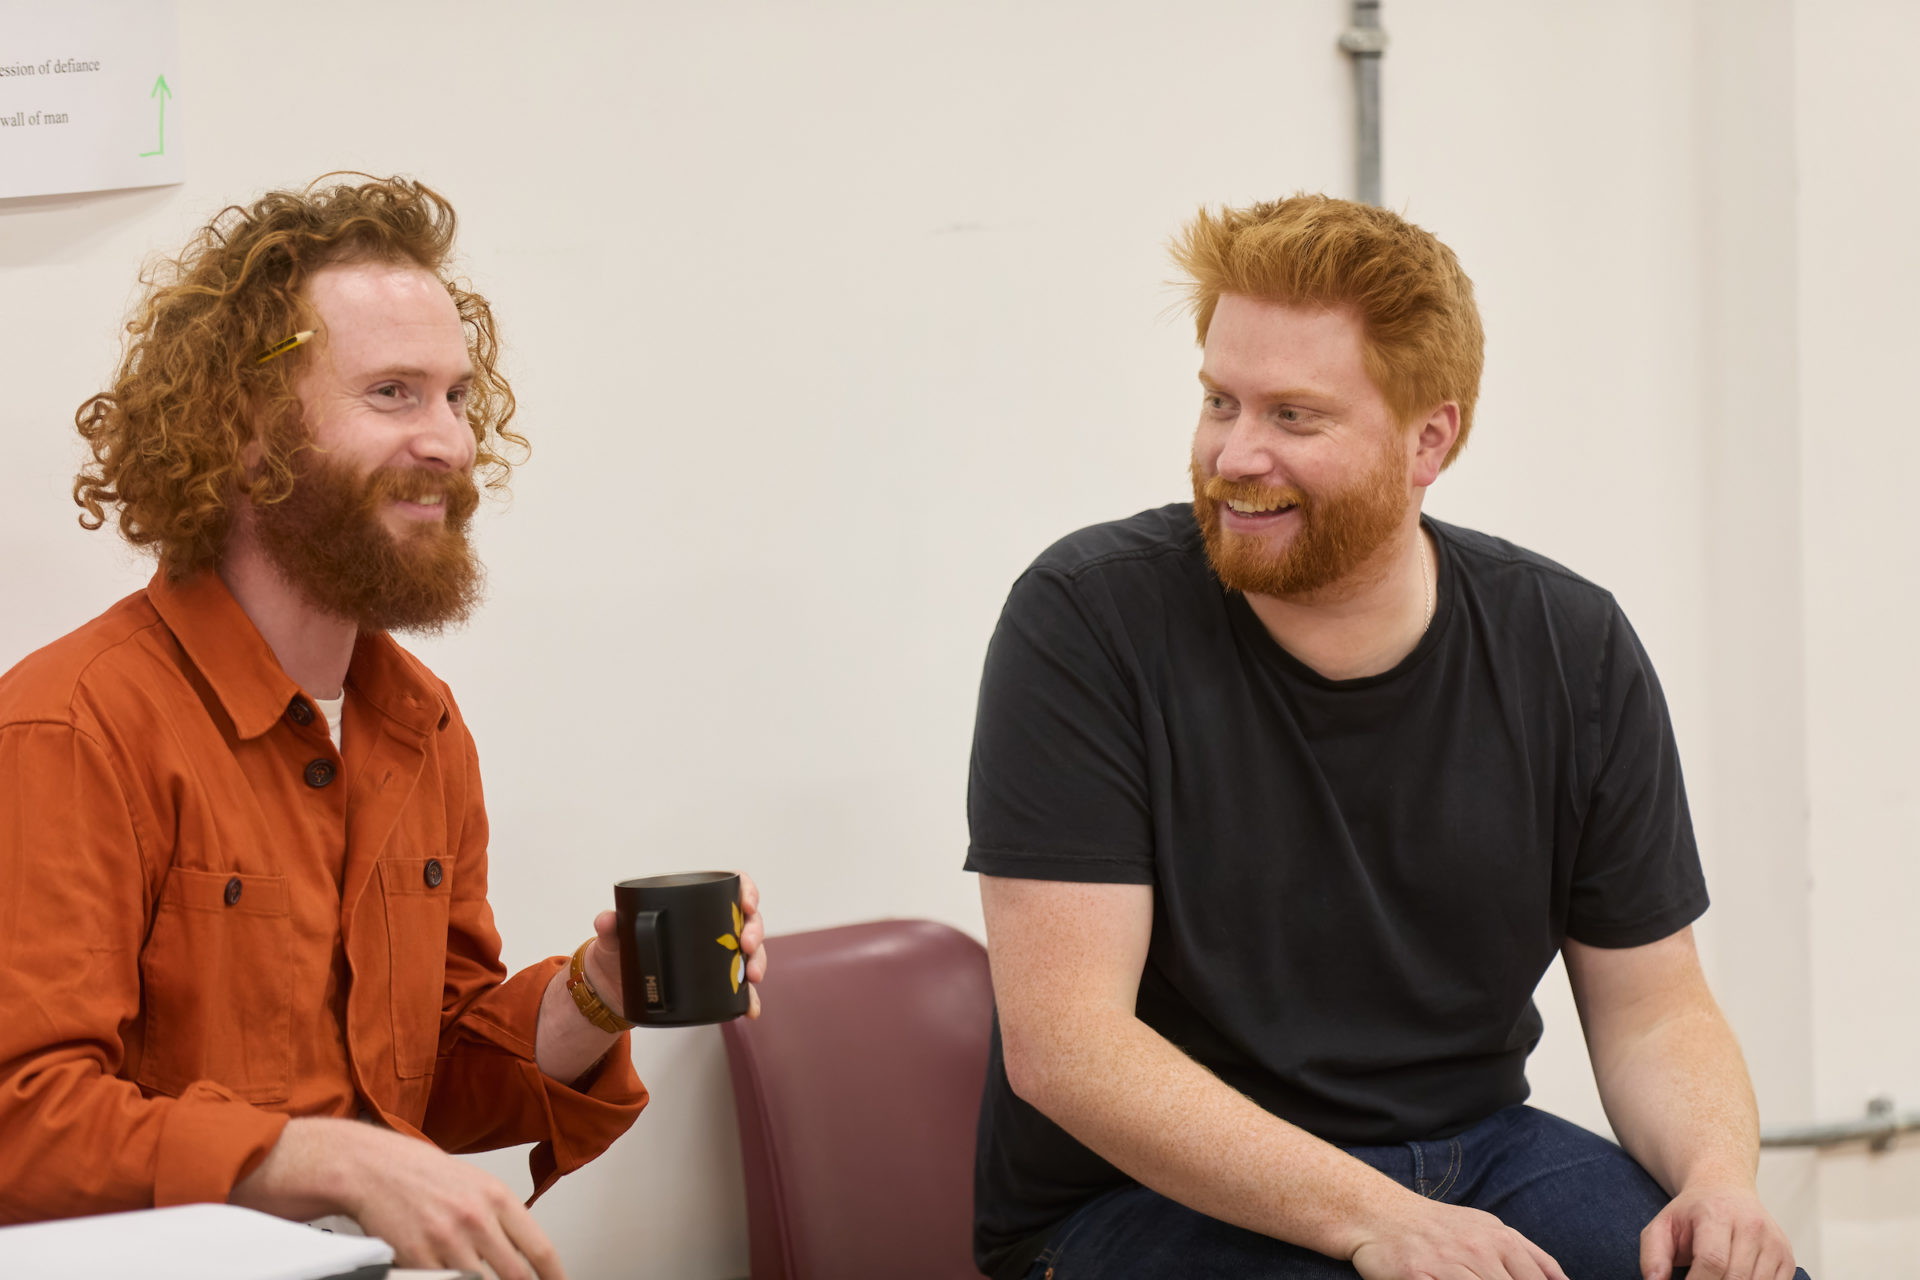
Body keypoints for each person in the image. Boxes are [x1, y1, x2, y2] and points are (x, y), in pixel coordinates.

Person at [965, 195, 1802, 1280]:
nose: (1235, 453)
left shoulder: (1571, 644)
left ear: (1430, 439)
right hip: (1134, 1197)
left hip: (1477, 1150)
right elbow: (1070, 1048)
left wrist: (1718, 1178)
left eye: (1294, 417)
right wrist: (1375, 1217)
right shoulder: (1086, 619)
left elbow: (1653, 1005)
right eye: (1220, 400)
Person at [0, 175, 767, 1280]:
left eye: (458, 396)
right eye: (395, 392)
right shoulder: (72, 725)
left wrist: (598, 988)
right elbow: (22, 1120)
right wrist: (330, 1159)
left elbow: (432, 1074)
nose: (450, 442)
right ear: (248, 437)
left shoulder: (419, 722)